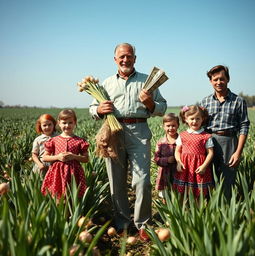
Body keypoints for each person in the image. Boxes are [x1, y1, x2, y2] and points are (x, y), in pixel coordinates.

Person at [89, 43, 167, 240]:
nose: (125, 60)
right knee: (116, 181)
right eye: (121, 56)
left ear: (135, 58)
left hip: (139, 131)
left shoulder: (147, 82)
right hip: (113, 132)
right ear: (115, 59)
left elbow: (162, 107)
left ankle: (143, 225)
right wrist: (99, 110)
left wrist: (150, 103)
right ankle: (122, 223)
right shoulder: (105, 84)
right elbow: (92, 108)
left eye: (129, 56)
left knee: (142, 182)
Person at [200, 65, 250, 199]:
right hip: (210, 142)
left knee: (227, 181)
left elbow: (244, 126)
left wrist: (238, 152)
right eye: (215, 79)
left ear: (228, 79)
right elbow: (201, 126)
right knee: (209, 179)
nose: (218, 82)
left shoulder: (238, 101)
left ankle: (227, 212)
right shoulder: (205, 101)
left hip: (229, 142)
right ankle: (210, 212)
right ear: (211, 81)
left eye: (222, 79)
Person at [41, 109, 89, 199]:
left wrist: (74, 156)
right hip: (57, 172)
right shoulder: (54, 140)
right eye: (64, 123)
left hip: (74, 173)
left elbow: (86, 159)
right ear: (59, 123)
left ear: (75, 123)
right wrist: (57, 157)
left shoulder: (80, 141)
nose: (67, 125)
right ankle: (60, 212)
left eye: (70, 122)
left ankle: (72, 212)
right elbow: (44, 157)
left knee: (73, 196)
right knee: (58, 195)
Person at [173, 105, 214, 198]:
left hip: (199, 166)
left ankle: (198, 210)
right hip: (185, 167)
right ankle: (183, 210)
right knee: (182, 192)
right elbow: (177, 151)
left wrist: (204, 166)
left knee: (199, 193)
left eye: (198, 118)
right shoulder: (182, 135)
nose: (194, 121)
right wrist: (179, 162)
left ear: (202, 119)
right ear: (186, 119)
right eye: (192, 119)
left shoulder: (206, 136)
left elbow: (210, 153)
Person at [154, 113, 179, 199]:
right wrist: (167, 160)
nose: (171, 128)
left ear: (178, 126)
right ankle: (167, 212)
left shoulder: (182, 141)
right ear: (163, 126)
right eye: (168, 126)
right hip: (165, 174)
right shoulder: (161, 142)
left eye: (173, 125)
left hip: (178, 174)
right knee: (166, 196)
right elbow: (156, 159)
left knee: (178, 196)